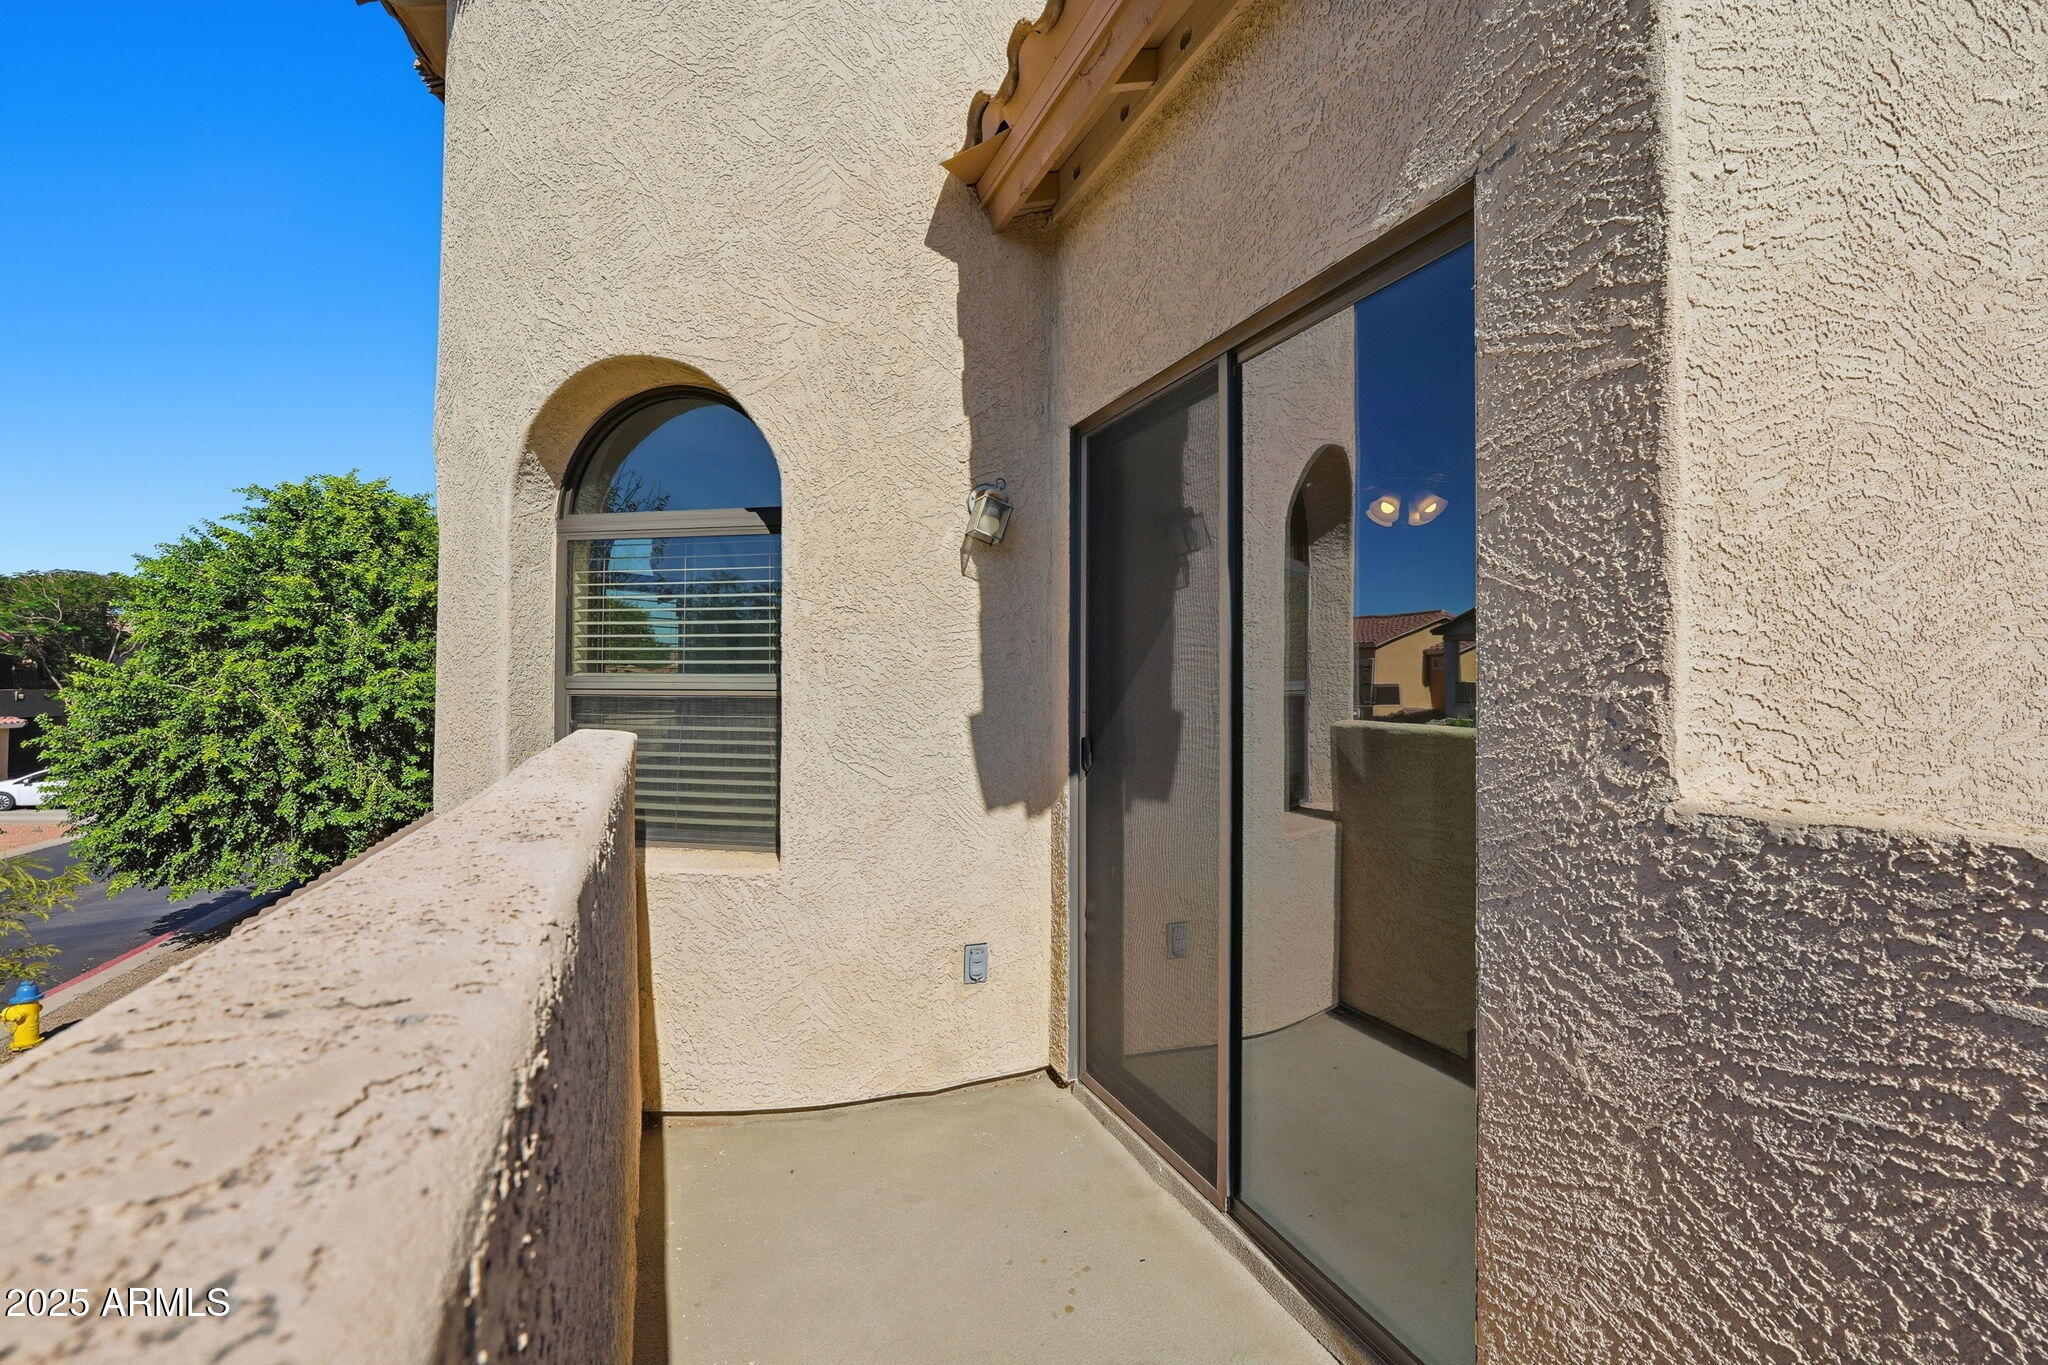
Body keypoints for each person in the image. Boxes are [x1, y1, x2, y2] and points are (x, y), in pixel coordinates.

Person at [3, 980, 45, 1052]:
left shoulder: (24, 1010)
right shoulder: (34, 1007)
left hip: (20, 1042)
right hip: (30, 1040)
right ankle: (32, 1038)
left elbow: (11, 1015)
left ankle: (28, 1039)